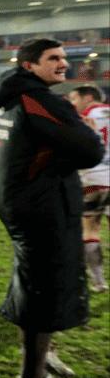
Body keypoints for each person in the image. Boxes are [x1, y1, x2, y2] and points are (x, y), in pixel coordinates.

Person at [0, 38, 102, 378]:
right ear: (29, 65)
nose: (63, 64)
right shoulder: (39, 101)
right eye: (54, 58)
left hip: (16, 200)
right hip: (44, 206)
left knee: (32, 279)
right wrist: (55, 164)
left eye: (65, 57)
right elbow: (91, 149)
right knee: (46, 287)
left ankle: (43, 354)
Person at [66, 85, 109, 293]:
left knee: (90, 229)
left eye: (74, 99)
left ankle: (99, 282)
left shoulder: (81, 119)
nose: (72, 103)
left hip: (92, 179)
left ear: (88, 97)